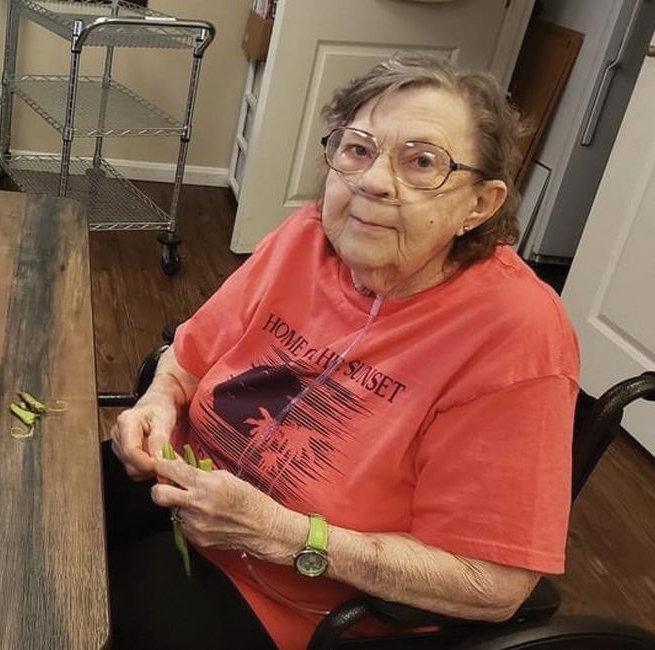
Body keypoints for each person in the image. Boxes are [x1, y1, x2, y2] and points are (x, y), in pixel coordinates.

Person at [104, 52, 579, 650]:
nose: (375, 181)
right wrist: (157, 402)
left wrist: (281, 533)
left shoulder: (516, 332)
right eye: (357, 149)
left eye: (422, 162)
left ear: (479, 204)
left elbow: (495, 583)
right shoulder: (307, 236)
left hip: (291, 602)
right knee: (34, 517)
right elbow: (187, 354)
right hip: (183, 496)